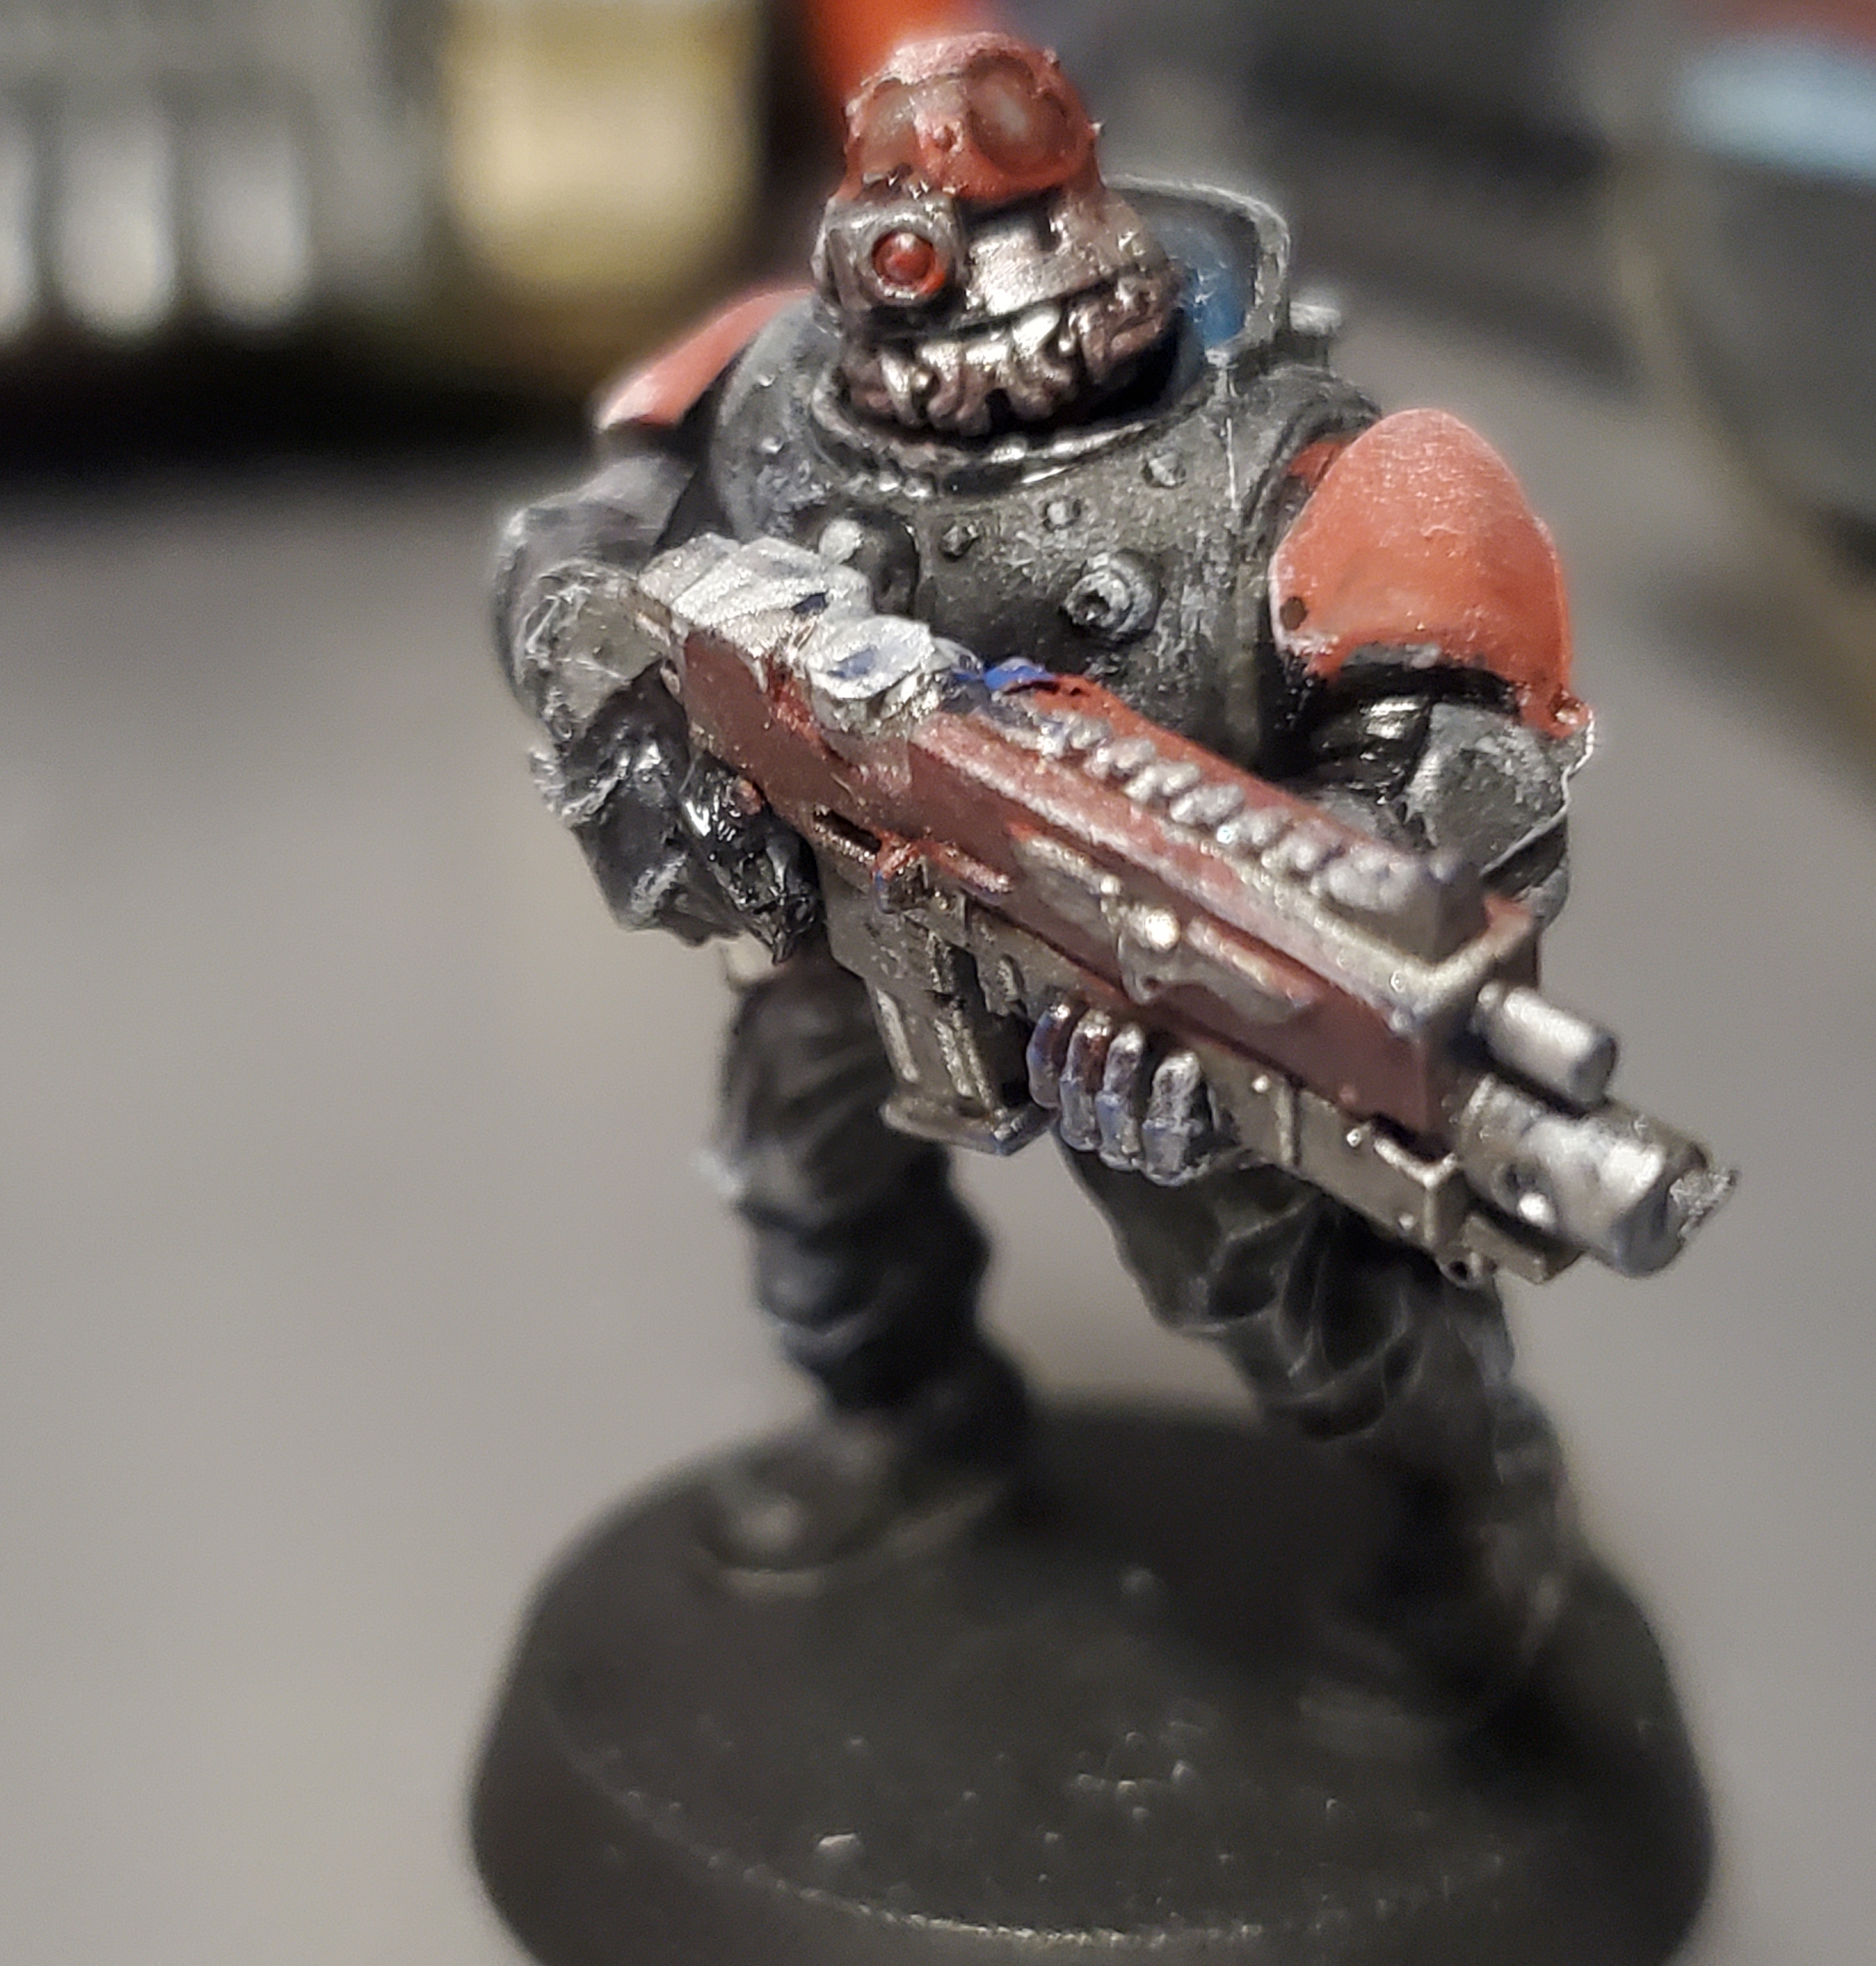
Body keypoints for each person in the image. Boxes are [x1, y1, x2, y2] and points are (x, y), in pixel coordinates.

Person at [493, 33, 1593, 1717]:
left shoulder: (1313, 477)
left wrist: (1270, 946)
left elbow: (1462, 786)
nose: (964, 320)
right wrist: (637, 694)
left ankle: (1480, 1506)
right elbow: (570, 552)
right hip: (845, 910)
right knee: (808, 1169)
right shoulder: (765, 385)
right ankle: (910, 1414)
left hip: (1141, 971)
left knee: (1264, 1285)